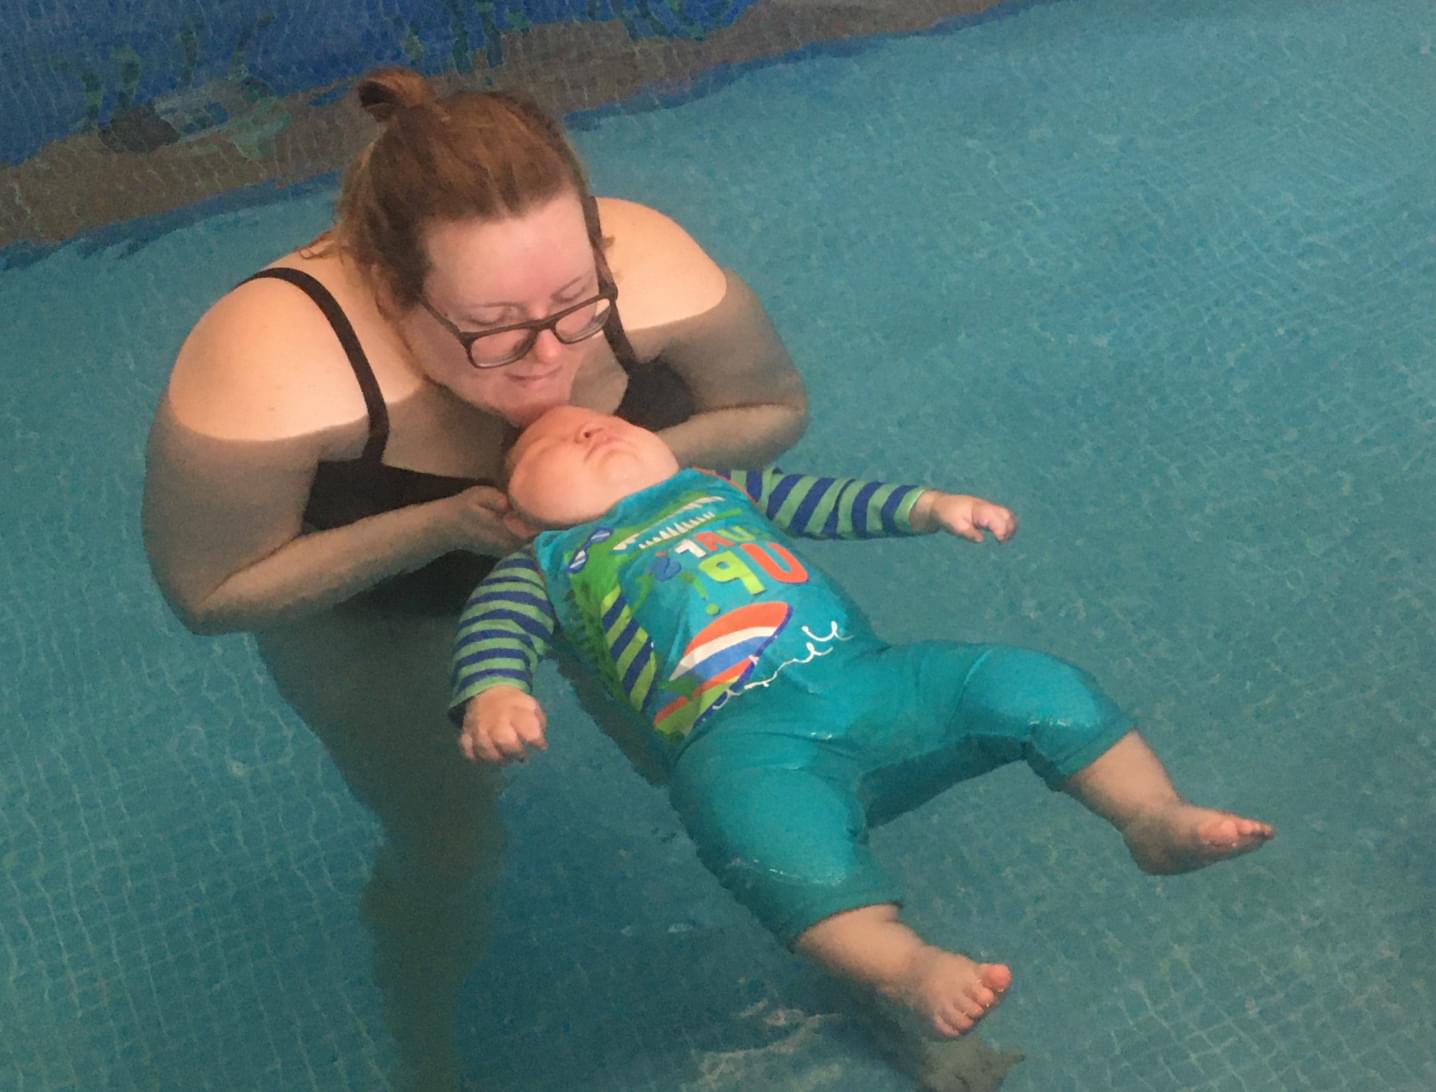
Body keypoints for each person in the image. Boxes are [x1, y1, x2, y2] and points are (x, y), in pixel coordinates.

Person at [141, 66, 807, 1091]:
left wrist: (625, 457)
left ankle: (875, 972)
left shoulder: (649, 273)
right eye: (493, 329)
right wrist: (439, 525)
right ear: (390, 286)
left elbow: (773, 411)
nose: (545, 364)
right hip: (382, 608)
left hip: (603, 549)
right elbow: (211, 595)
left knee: (729, 768)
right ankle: (426, 1058)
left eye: (576, 304)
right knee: (450, 851)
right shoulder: (272, 367)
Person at [451, 405, 1274, 1041]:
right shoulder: (542, 565)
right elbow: (494, 632)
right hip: (744, 745)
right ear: (515, 514)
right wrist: (493, 693)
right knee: (750, 831)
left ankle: (1149, 815)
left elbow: (831, 501)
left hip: (872, 681)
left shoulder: (718, 488)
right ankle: (903, 967)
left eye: (608, 422)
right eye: (548, 449)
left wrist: (930, 505)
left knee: (1025, 682)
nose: (586, 428)